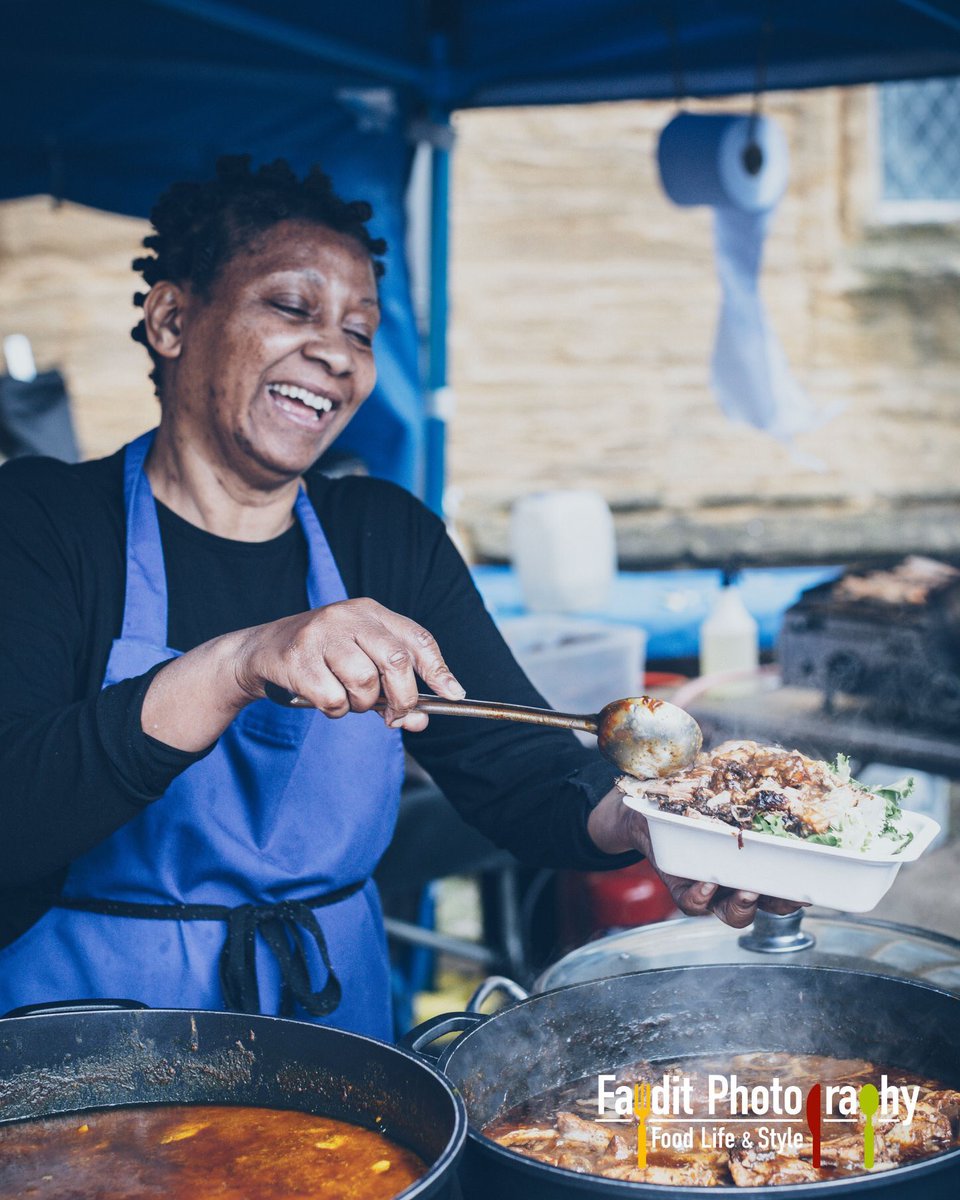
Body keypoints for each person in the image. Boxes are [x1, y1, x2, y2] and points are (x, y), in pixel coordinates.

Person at [0, 157, 793, 1039]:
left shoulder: (382, 534)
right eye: (291, 308)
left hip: (335, 1030)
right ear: (173, 318)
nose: (336, 352)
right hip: (87, 1034)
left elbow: (520, 770)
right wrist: (233, 664)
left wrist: (644, 825)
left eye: (363, 331)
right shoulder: (45, 523)